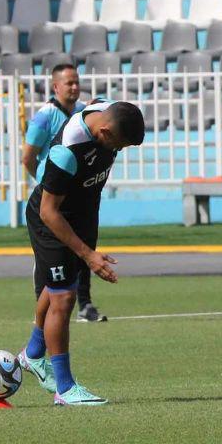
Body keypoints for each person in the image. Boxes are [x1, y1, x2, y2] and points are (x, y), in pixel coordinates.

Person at [18, 99, 145, 405]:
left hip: (84, 210)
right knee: (63, 297)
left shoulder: (105, 110)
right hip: (54, 219)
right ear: (103, 130)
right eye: (118, 144)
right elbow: (49, 212)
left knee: (63, 288)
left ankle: (33, 354)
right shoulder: (67, 153)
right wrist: (88, 254)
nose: (118, 151)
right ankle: (64, 389)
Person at [22, 64, 109, 323]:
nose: (74, 87)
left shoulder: (84, 112)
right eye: (68, 83)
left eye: (76, 82)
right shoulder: (44, 116)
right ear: (55, 86)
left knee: (83, 250)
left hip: (75, 196)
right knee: (50, 261)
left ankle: (86, 305)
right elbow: (27, 156)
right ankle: (44, 317)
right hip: (53, 194)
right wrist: (45, 181)